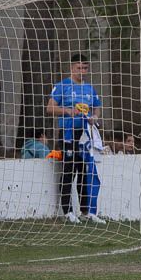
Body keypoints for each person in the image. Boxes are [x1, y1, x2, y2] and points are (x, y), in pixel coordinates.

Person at [46, 53, 103, 224]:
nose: (82, 71)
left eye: (85, 68)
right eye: (78, 67)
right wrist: (68, 111)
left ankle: (86, 212)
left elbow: (96, 108)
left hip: (85, 134)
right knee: (68, 170)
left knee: (84, 171)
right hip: (68, 133)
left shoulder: (89, 88)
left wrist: (94, 117)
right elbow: (50, 108)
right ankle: (68, 211)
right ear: (71, 68)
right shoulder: (62, 86)